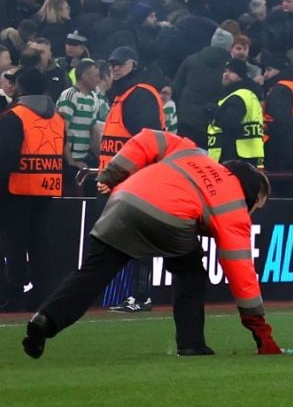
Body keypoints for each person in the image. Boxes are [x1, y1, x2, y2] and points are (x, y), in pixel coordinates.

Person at [21, 129, 279, 358]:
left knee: (93, 274)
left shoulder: (191, 151)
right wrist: (259, 327)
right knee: (190, 275)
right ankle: (191, 345)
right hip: (171, 217)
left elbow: (148, 139)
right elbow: (241, 270)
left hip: (124, 200)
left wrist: (111, 174)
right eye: (257, 206)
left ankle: (46, 319)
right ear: (251, 194)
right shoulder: (234, 205)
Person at [0, 68, 64, 310]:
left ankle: (14, 297)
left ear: (21, 87)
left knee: (14, 246)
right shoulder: (57, 118)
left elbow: (5, 156)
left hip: (15, 190)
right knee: (40, 245)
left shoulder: (15, 116)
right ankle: (43, 296)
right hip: (45, 189)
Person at [96, 47, 164, 170]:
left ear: (134, 65)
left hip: (131, 176)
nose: (116, 68)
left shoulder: (142, 95)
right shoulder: (121, 95)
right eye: (113, 64)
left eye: (121, 64)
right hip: (113, 176)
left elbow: (150, 142)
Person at [55, 58, 108, 195]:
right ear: (85, 76)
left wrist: (101, 159)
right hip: (68, 162)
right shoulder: (70, 96)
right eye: (96, 76)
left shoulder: (93, 98)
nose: (99, 80)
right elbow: (61, 130)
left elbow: (93, 131)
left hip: (84, 159)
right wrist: (70, 160)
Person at [206, 60, 264, 167]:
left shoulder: (238, 96)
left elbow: (229, 122)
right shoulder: (247, 94)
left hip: (234, 155)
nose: (226, 74)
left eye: (231, 71)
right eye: (225, 71)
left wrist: (213, 110)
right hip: (246, 153)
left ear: (240, 76)